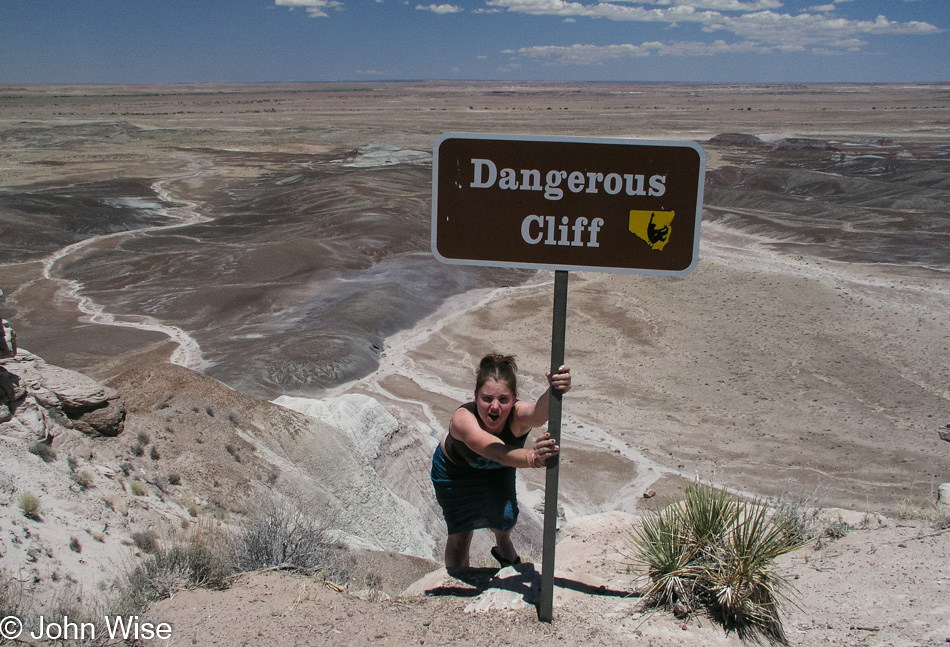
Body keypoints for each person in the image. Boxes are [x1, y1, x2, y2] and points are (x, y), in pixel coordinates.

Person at [430, 353, 571, 568]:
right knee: (461, 533)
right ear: (475, 396)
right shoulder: (463, 419)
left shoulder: (517, 415)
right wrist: (533, 458)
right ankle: (459, 580)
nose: (494, 407)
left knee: (505, 519)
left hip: (498, 468)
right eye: (487, 399)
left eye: (503, 400)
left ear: (514, 399)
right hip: (455, 473)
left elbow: (537, 415)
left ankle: (503, 547)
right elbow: (494, 451)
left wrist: (555, 389)